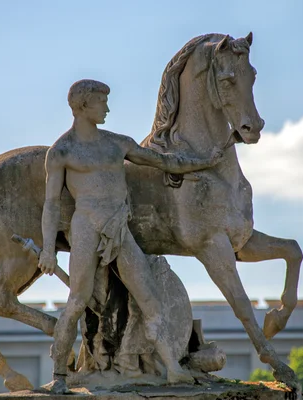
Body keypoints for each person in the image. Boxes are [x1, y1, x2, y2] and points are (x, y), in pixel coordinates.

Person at [39, 79, 223, 393]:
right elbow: (51, 204)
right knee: (77, 301)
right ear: (84, 105)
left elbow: (161, 162)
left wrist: (202, 163)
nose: (107, 108)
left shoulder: (117, 143)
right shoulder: (62, 151)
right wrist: (47, 250)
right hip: (85, 226)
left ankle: (173, 369)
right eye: (101, 102)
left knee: (149, 297)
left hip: (118, 227)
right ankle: (60, 375)